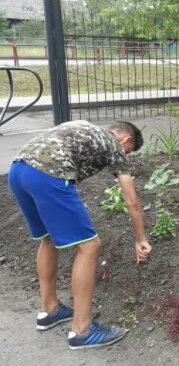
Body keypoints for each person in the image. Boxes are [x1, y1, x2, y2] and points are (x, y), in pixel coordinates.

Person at [8, 120, 152, 348]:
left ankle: (49, 309)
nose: (125, 156)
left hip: (17, 171)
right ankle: (82, 330)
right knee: (90, 246)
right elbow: (132, 201)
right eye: (128, 152)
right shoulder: (114, 146)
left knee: (48, 239)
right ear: (126, 140)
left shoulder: (83, 128)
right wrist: (140, 238)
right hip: (48, 175)